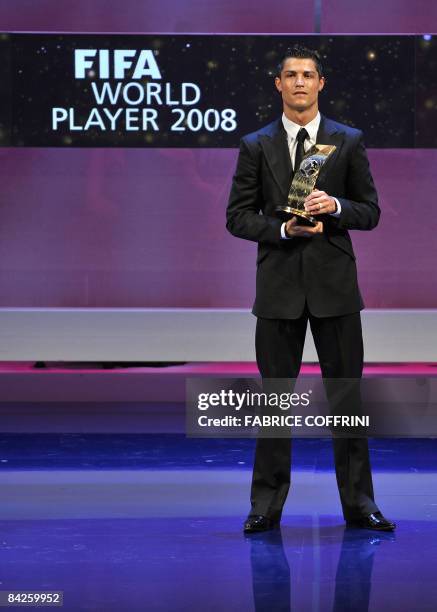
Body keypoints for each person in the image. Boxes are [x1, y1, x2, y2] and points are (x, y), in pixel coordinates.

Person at [226, 45, 395, 533]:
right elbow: (237, 218)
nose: (299, 82)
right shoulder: (255, 145)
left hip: (335, 291)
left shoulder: (348, 140)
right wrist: (281, 230)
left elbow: (371, 212)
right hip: (278, 290)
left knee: (347, 400)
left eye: (308, 75)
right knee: (275, 402)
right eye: (290, 75)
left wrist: (335, 207)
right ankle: (265, 505)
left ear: (322, 84)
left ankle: (360, 504)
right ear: (277, 84)